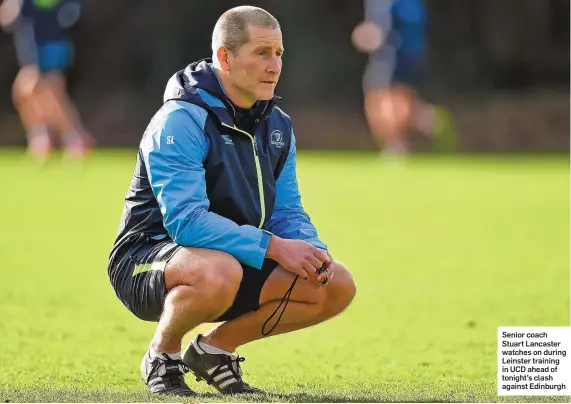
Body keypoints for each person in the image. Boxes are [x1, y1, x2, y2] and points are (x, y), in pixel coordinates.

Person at [108, 5, 357, 397]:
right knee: (219, 271)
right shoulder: (179, 119)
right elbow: (186, 222)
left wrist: (312, 251)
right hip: (146, 259)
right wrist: (273, 247)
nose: (274, 65)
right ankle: (162, 355)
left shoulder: (278, 125)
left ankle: (213, 350)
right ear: (224, 57)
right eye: (261, 53)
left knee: (335, 284)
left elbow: (286, 211)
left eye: (279, 54)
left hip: (232, 258)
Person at [352, 0, 455, 155]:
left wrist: (363, 37)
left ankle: (397, 145)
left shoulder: (385, 4)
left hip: (390, 57)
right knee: (400, 103)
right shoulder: (414, 5)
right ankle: (429, 119)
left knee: (381, 103)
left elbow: (381, 33)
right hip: (413, 57)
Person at [0, 0, 93, 159]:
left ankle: (74, 137)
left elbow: (71, 14)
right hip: (32, 52)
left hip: (49, 48)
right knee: (24, 93)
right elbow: (8, 20)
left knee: (49, 92)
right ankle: (43, 136)